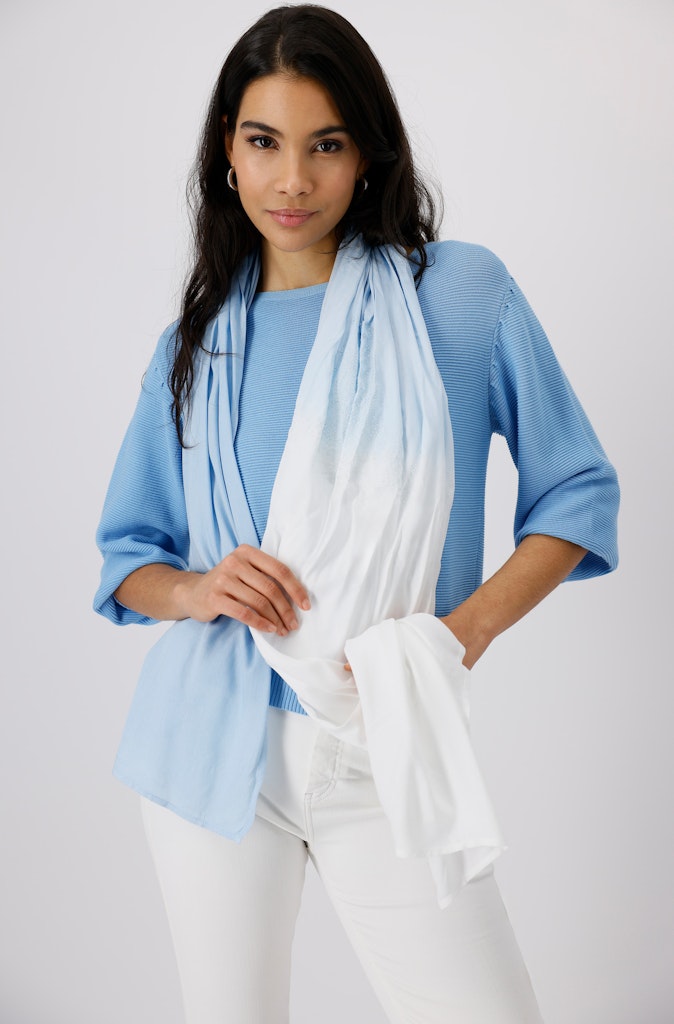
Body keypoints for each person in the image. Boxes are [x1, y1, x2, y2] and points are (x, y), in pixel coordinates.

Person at [94, 6, 619, 1022]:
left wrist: (459, 633)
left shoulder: (458, 295)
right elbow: (128, 558)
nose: (292, 179)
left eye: (326, 145)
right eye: (265, 142)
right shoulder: (195, 345)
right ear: (228, 151)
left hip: (388, 731)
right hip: (210, 750)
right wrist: (199, 588)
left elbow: (577, 489)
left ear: (369, 152)